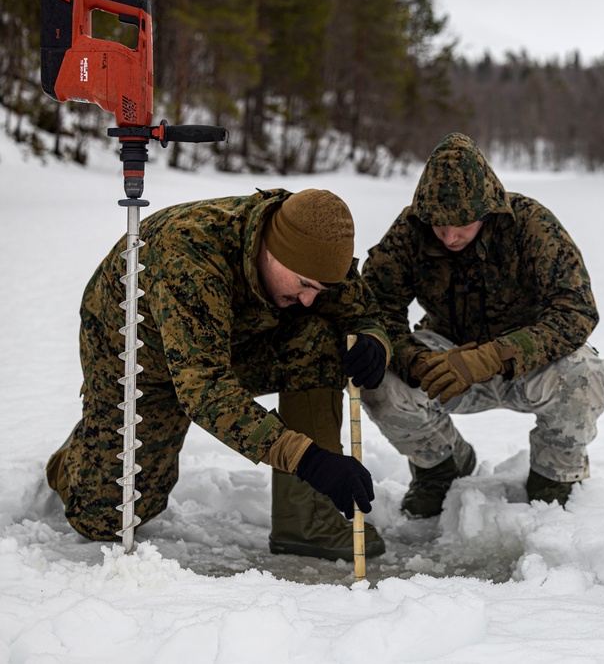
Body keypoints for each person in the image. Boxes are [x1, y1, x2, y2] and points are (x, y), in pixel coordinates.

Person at [47, 188, 392, 562]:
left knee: (317, 341)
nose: (309, 298)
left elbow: (361, 309)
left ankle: (308, 522)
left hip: (228, 343)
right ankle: (79, 453)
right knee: (110, 517)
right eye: (304, 285)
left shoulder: (314, 237)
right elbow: (206, 391)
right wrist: (309, 460)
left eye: (320, 288)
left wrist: (374, 340)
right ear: (272, 250)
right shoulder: (189, 256)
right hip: (137, 357)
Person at [360, 132, 604, 518]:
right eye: (438, 225)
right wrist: (414, 360)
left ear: (488, 209)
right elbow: (376, 309)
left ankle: (555, 477)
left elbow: (576, 310)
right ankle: (441, 467)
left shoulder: (531, 224)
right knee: (377, 375)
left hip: (528, 364)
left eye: (461, 224)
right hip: (445, 363)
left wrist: (496, 356)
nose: (449, 236)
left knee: (584, 374)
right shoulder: (410, 230)